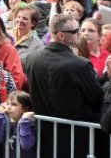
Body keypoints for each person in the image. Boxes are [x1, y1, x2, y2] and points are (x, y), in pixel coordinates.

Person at [25, 13, 104, 158]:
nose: (79, 34)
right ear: (61, 35)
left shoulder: (32, 59)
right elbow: (97, 99)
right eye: (75, 31)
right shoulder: (80, 65)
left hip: (45, 137)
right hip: (75, 139)